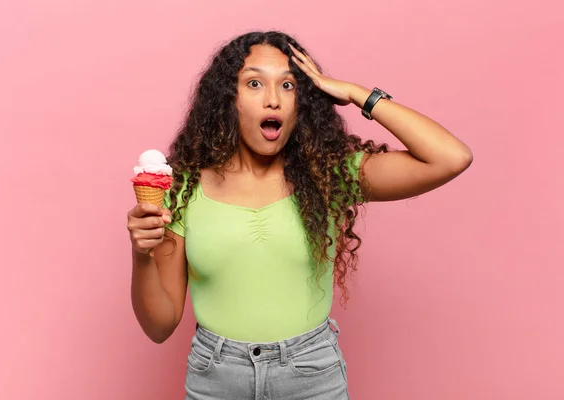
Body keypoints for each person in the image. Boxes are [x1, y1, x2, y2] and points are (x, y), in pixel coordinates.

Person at [126, 31, 472, 399]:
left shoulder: (329, 175)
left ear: (303, 102)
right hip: (216, 378)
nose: (272, 99)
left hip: (311, 376)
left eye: (288, 85)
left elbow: (451, 157)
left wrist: (357, 94)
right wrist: (141, 253)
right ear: (228, 99)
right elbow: (159, 326)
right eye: (254, 83)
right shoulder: (183, 188)